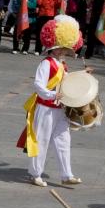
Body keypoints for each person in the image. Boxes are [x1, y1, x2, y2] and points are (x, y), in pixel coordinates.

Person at [17, 16, 85, 187]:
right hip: (45, 108)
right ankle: (35, 173)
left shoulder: (62, 65)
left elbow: (68, 82)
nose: (63, 51)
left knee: (64, 140)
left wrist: (84, 76)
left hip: (59, 109)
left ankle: (66, 174)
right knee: (41, 140)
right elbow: (38, 86)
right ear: (53, 48)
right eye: (61, 48)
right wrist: (52, 95)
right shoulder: (46, 64)